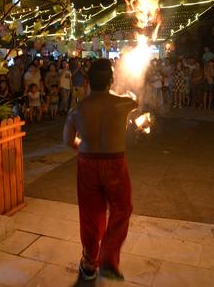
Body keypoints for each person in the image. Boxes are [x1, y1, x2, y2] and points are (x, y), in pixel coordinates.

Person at [63, 59, 137, 281]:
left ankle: (89, 261)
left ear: (87, 81)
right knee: (122, 209)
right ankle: (108, 259)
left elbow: (67, 140)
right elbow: (136, 101)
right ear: (111, 80)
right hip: (114, 163)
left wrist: (84, 148)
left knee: (90, 214)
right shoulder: (124, 103)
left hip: (87, 162)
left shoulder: (77, 110)